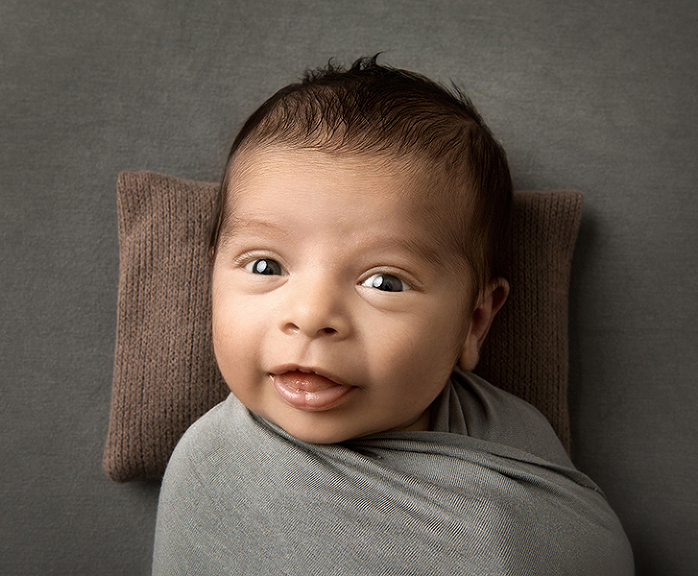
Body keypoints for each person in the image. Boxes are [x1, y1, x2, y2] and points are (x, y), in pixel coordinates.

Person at [152, 55, 633, 575]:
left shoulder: (511, 444)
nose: (312, 316)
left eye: (384, 281)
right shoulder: (213, 469)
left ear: (473, 324)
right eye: (266, 266)